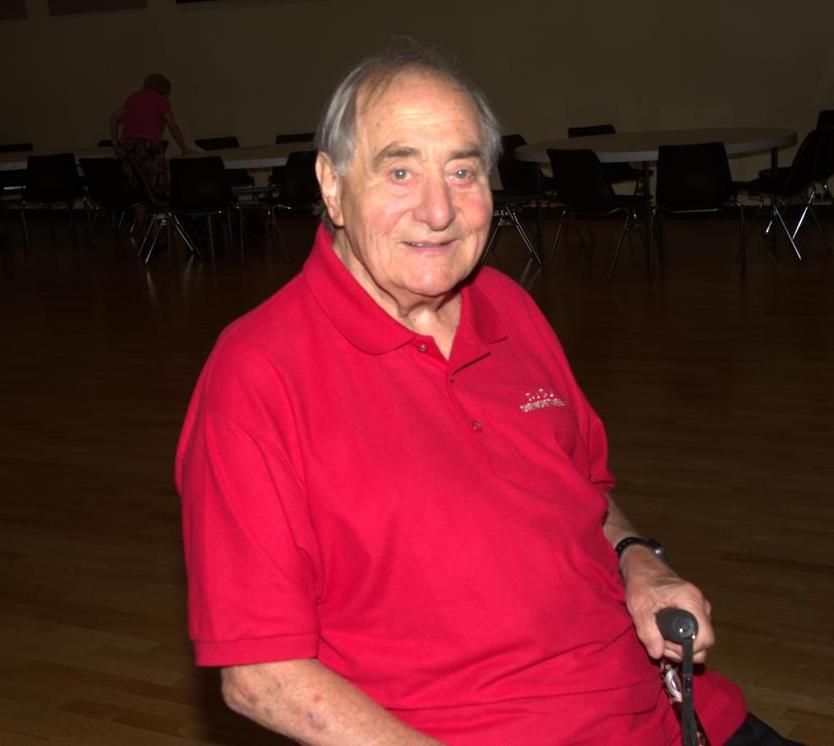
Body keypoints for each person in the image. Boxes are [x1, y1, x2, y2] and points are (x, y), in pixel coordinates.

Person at [176, 43, 803, 745]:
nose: (438, 211)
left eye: (463, 171)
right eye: (400, 170)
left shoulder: (507, 305)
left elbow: (584, 490)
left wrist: (638, 561)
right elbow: (261, 676)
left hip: (676, 708)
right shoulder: (258, 375)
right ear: (332, 183)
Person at [110, 73, 191, 199]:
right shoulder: (160, 100)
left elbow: (114, 118)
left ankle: (140, 211)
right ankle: (160, 207)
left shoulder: (133, 98)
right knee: (156, 185)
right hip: (148, 146)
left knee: (136, 183)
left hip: (128, 145)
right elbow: (173, 127)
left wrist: (115, 143)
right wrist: (184, 148)